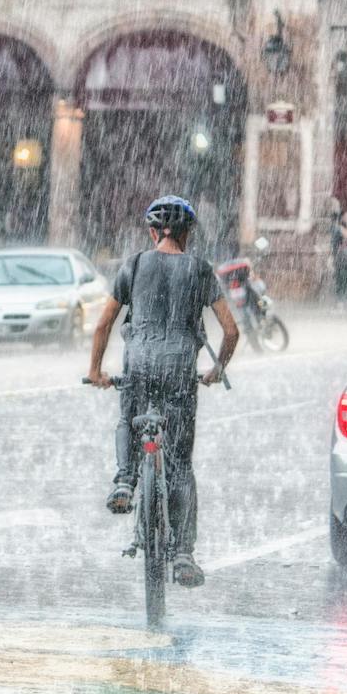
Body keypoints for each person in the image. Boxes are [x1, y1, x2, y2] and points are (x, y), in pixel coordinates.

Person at [86, 195, 240, 588]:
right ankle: (184, 554)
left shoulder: (134, 265)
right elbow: (231, 330)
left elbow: (103, 325)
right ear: (187, 234)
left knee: (128, 417)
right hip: (178, 371)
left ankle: (124, 480)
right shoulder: (200, 270)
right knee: (180, 466)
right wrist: (216, 368)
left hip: (138, 364)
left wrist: (95, 370)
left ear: (153, 232)